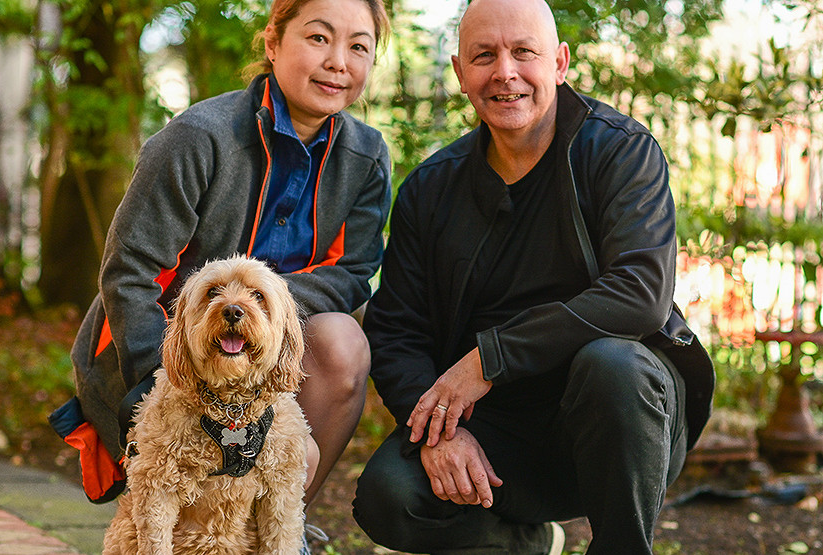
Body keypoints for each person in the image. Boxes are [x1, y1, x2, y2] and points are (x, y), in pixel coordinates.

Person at [352, 0, 714, 553]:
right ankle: (523, 540)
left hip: (621, 422)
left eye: (524, 52)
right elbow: (397, 329)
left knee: (612, 363)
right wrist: (437, 433)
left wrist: (490, 358)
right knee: (388, 496)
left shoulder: (619, 151)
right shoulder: (431, 188)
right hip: (496, 436)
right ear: (459, 72)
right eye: (484, 56)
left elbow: (639, 294)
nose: (505, 71)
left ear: (560, 62)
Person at [51, 0, 391, 520]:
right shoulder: (199, 137)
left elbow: (351, 274)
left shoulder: (366, 159)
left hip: (268, 363)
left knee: (345, 341)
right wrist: (163, 374)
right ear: (273, 42)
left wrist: (257, 311)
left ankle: (279, 527)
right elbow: (131, 271)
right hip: (158, 356)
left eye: (359, 46)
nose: (338, 61)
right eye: (318, 38)